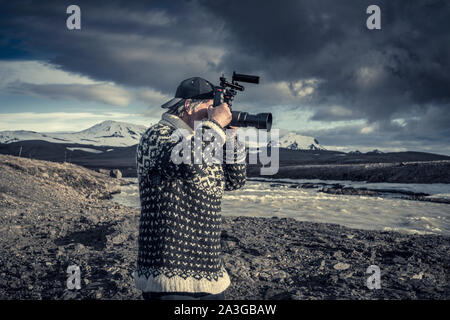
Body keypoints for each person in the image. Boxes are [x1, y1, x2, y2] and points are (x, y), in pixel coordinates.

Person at [134, 77, 247, 300]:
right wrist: (214, 126)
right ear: (188, 106)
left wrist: (230, 135)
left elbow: (236, 181)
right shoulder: (157, 135)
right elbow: (187, 163)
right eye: (209, 109)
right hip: (169, 276)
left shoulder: (205, 141)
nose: (214, 114)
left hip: (211, 275)